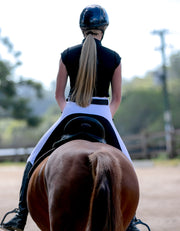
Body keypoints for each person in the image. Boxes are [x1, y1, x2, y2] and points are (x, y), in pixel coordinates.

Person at [2, 5, 143, 231]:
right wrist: (106, 115)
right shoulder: (114, 58)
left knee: (33, 158)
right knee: (126, 163)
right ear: (104, 29)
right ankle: (132, 219)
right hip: (103, 114)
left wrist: (68, 111)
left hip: (70, 112)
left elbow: (59, 95)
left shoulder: (67, 55)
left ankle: (20, 215)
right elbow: (116, 98)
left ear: (82, 28)